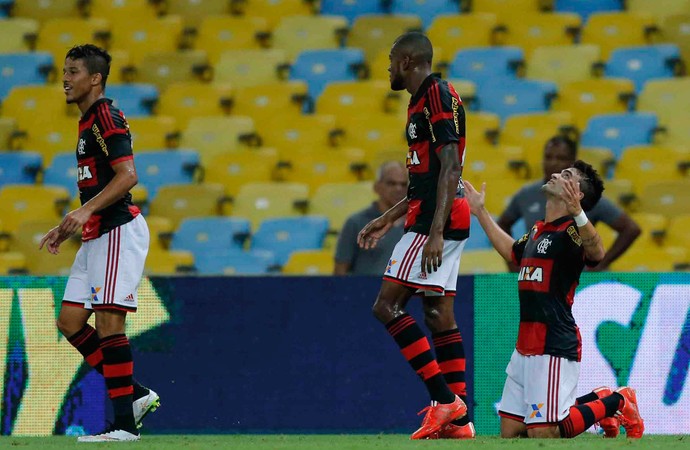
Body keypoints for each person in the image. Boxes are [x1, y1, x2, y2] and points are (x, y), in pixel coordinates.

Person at [464, 160, 644, 439]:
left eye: (567, 175)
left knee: (544, 430)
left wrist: (579, 214)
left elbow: (597, 254)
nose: (556, 174)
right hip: (525, 342)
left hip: (553, 342)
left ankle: (617, 401)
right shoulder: (538, 230)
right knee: (512, 432)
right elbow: (512, 251)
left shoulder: (572, 232)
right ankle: (601, 398)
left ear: (577, 193)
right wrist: (480, 211)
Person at [357, 32, 474, 440]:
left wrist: (435, 231)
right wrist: (388, 217)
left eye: (391, 61)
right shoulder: (422, 100)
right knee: (438, 315)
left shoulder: (437, 95)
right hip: (439, 213)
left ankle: (445, 402)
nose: (388, 68)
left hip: (432, 222)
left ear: (407, 61)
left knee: (386, 307)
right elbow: (425, 177)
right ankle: (459, 424)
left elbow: (450, 166)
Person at [39, 44, 158, 442]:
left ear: (95, 79)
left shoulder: (105, 114)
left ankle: (125, 425)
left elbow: (127, 176)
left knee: (109, 323)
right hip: (96, 233)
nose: (65, 79)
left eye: (73, 71)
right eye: (63, 71)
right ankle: (135, 395)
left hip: (117, 230)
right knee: (70, 322)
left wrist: (85, 211)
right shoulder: (87, 120)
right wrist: (70, 222)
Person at [497, 135, 640, 271]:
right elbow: (503, 224)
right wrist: (514, 265)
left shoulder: (583, 195)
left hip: (578, 282)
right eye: (548, 157)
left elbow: (630, 228)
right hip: (537, 280)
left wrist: (601, 263)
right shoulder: (527, 194)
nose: (553, 163)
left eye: (560, 158)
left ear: (572, 163)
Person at [334, 161, 407, 275]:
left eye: (403, 184)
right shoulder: (356, 222)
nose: (398, 189)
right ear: (377, 187)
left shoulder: (418, 223)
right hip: (364, 290)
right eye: (391, 183)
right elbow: (340, 270)